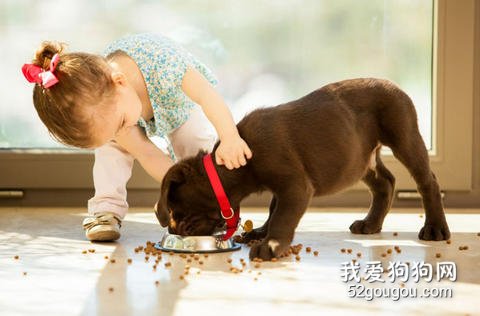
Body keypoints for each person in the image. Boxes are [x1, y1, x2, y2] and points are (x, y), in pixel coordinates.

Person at [22, 33, 252, 242]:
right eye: (112, 131)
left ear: (120, 82)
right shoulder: (111, 108)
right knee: (111, 151)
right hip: (125, 107)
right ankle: (106, 209)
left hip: (177, 104)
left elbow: (207, 95)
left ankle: (210, 208)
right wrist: (173, 195)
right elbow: (146, 152)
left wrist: (230, 136)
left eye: (119, 124)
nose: (120, 133)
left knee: (195, 142)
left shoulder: (167, 67)